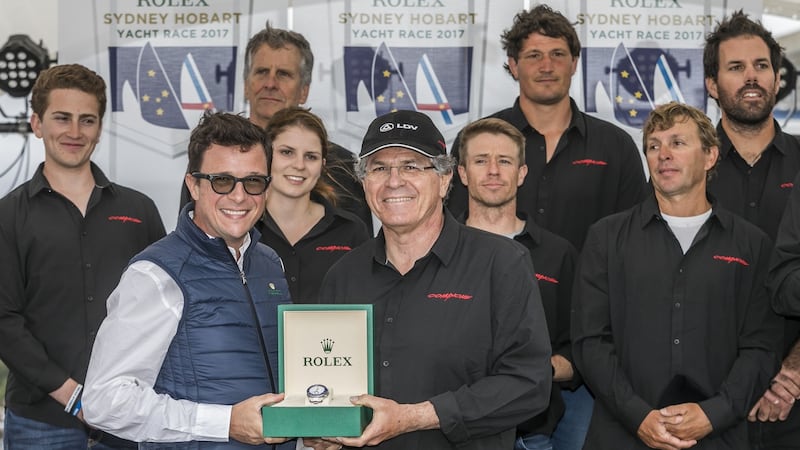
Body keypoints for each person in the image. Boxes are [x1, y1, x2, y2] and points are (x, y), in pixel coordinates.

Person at [306, 110, 552, 450]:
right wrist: (324, 428)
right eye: (379, 168)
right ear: (364, 183)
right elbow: (326, 383)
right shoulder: (343, 276)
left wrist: (414, 417)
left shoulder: (502, 264)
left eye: (411, 166)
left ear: (445, 178)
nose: (394, 181)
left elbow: (529, 385)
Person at [572, 102, 782, 449]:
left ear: (711, 155)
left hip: (719, 436)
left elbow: (761, 346)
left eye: (677, 143)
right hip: (622, 435)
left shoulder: (751, 244)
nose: (663, 154)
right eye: (653, 146)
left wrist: (714, 414)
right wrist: (638, 416)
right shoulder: (606, 238)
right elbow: (590, 341)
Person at [82, 112, 294, 450]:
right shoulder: (155, 275)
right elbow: (104, 401)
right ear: (193, 184)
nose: (239, 196)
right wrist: (224, 423)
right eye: (222, 181)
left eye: (253, 181)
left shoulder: (270, 264)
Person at [0, 64, 166, 449]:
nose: (75, 132)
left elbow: (163, 309)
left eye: (87, 120)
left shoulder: (139, 211)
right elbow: (4, 321)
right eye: (62, 118)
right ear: (36, 124)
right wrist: (71, 394)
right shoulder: (8, 216)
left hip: (128, 419)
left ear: (99, 128)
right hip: (41, 421)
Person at [447, 4, 648, 252]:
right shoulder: (476, 141)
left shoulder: (616, 145)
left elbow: (636, 236)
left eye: (558, 54)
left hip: (589, 290)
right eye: (534, 55)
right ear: (513, 65)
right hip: (491, 287)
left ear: (574, 63)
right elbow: (451, 229)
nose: (546, 66)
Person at [703, 11, 800, 449]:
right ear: (711, 84)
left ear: (778, 79)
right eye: (736, 67)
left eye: (761, 66)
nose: (752, 78)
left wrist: (794, 371)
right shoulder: (683, 170)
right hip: (707, 396)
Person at [455, 117, 578, 450]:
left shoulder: (557, 253)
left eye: (504, 161)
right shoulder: (437, 251)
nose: (493, 170)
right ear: (462, 173)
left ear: (522, 173)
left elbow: (580, 350)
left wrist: (529, 372)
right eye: (481, 160)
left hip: (532, 436)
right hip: (453, 435)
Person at [179, 23, 371, 229]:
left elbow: (360, 253)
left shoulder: (342, 169)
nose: (270, 83)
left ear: (304, 90)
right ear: (246, 85)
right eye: (261, 72)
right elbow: (191, 240)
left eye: (283, 74)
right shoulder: (212, 160)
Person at [257, 107, 369, 303]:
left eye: (311, 156)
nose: (299, 165)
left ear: (322, 164)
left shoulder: (351, 231)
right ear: (266, 156)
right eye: (287, 152)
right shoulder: (242, 227)